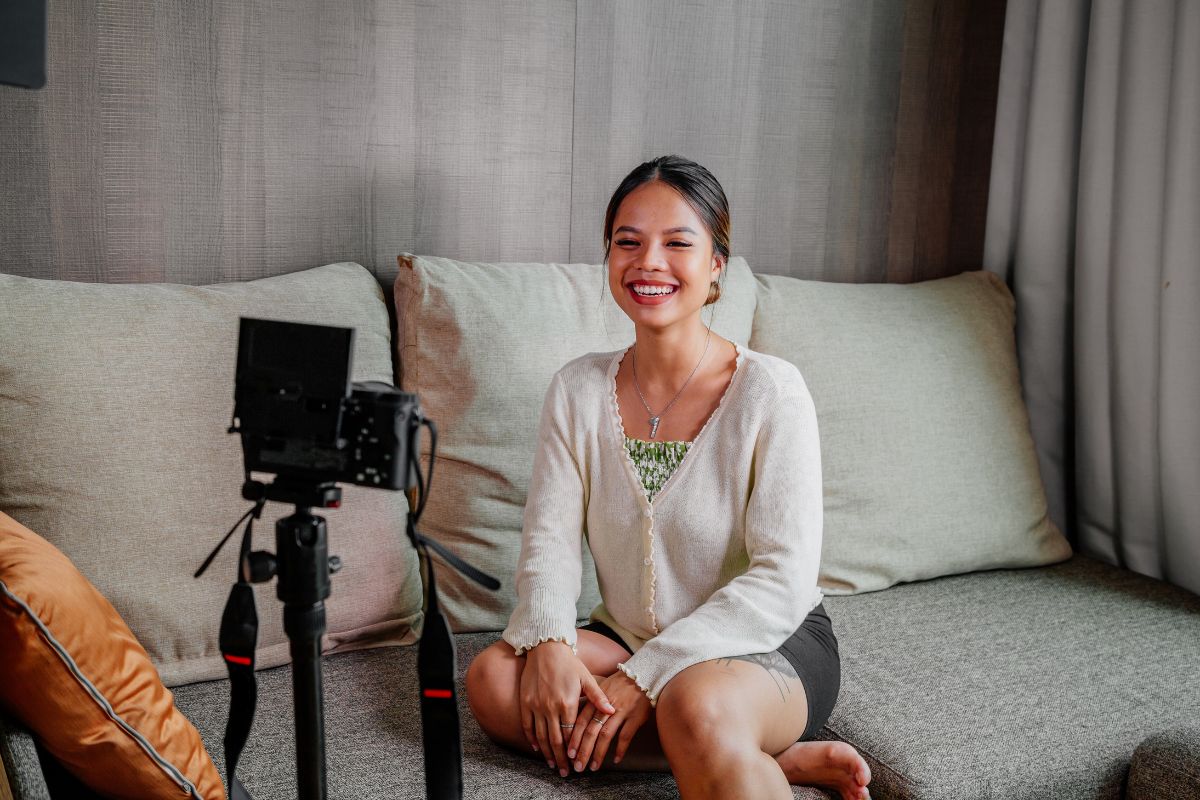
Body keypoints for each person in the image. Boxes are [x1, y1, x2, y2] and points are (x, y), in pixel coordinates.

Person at [465, 155, 872, 800]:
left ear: (716, 266)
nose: (648, 261)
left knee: (693, 704)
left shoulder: (772, 392)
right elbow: (548, 543)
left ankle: (720, 738)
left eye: (677, 243)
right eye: (628, 242)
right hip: (627, 633)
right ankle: (764, 760)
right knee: (494, 680)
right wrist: (548, 639)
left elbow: (783, 579)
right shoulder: (576, 389)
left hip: (764, 641)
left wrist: (650, 674)